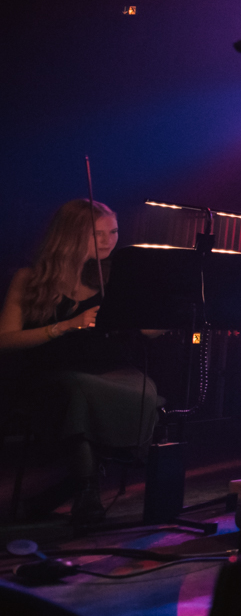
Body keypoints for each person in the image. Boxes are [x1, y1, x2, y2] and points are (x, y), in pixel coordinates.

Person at [0, 200, 161, 522]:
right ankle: (87, 492)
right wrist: (64, 326)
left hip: (113, 371)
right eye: (97, 234)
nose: (109, 241)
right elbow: (5, 340)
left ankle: (75, 488)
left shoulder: (118, 277)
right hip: (51, 374)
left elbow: (148, 330)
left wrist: (170, 315)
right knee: (75, 388)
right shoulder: (29, 278)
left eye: (113, 232)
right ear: (69, 236)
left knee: (144, 391)